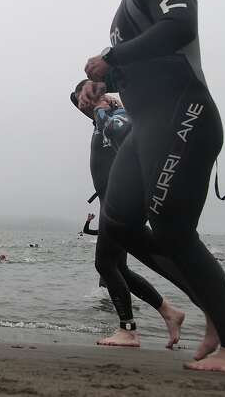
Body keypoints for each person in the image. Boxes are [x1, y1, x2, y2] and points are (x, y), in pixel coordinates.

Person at [80, 0, 225, 372]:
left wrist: (111, 57)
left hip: (184, 116)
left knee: (174, 233)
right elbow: (138, 64)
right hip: (146, 128)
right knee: (117, 225)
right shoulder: (123, 11)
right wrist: (103, 82)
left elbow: (179, 26)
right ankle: (220, 310)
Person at [71, 82, 185, 348]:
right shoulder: (99, 120)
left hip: (120, 202)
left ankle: (129, 330)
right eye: (80, 102)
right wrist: (93, 105)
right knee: (117, 267)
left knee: (106, 265)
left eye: (85, 99)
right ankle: (170, 312)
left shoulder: (116, 116)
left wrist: (104, 106)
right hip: (109, 203)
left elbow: (122, 133)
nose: (82, 105)